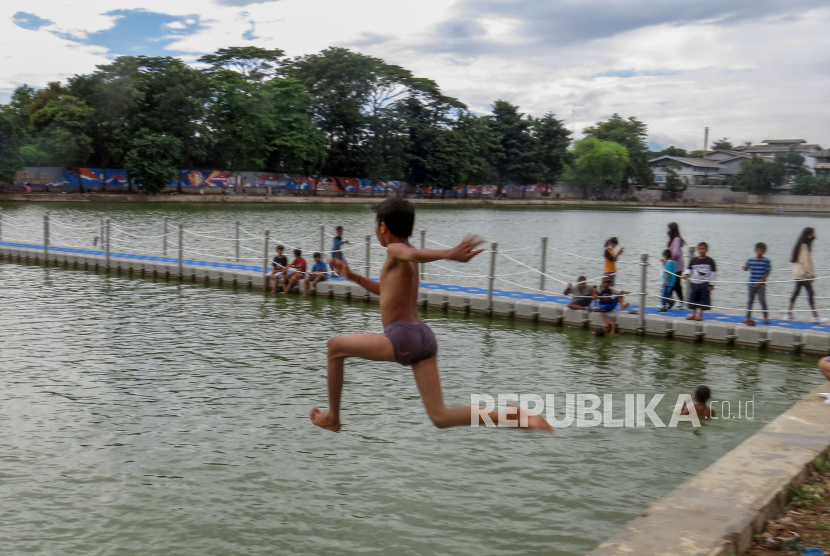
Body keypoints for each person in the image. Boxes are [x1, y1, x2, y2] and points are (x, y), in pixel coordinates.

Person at [309, 198, 553, 433]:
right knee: (441, 416)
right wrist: (352, 277)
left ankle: (333, 419)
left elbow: (408, 254)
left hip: (401, 337)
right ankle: (514, 418)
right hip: (423, 338)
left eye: (376, 224)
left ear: (383, 226)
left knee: (334, 348)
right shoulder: (405, 254)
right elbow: (387, 291)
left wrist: (449, 254)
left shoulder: (397, 250)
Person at [786, 227, 825, 323]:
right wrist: (811, 274)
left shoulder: (801, 244)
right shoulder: (804, 246)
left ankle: (788, 314)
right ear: (808, 235)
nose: (814, 236)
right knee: (810, 293)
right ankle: (815, 316)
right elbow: (806, 262)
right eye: (813, 234)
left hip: (798, 273)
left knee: (796, 292)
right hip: (803, 274)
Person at [683, 242, 717, 321]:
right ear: (697, 250)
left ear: (706, 250)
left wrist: (711, 284)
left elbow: (713, 274)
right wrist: (686, 274)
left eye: (703, 249)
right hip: (694, 283)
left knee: (703, 300)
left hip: (704, 284)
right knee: (693, 299)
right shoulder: (694, 260)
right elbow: (689, 269)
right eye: (699, 249)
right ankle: (693, 314)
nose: (701, 251)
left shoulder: (710, 261)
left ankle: (700, 315)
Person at [743, 242, 772, 326]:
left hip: (761, 285)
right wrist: (744, 267)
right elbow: (746, 267)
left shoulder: (766, 261)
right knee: (750, 301)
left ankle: (765, 317)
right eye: (758, 250)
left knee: (762, 301)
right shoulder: (751, 260)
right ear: (755, 250)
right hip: (751, 284)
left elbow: (768, 272)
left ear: (765, 251)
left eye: (762, 251)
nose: (760, 252)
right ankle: (748, 318)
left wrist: (761, 281)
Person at [667, 222, 685, 308]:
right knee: (676, 284)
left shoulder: (676, 239)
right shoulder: (674, 239)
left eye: (669, 229)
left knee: (674, 284)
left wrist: (668, 258)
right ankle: (671, 301)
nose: (667, 231)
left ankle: (669, 301)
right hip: (674, 265)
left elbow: (676, 253)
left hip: (676, 266)